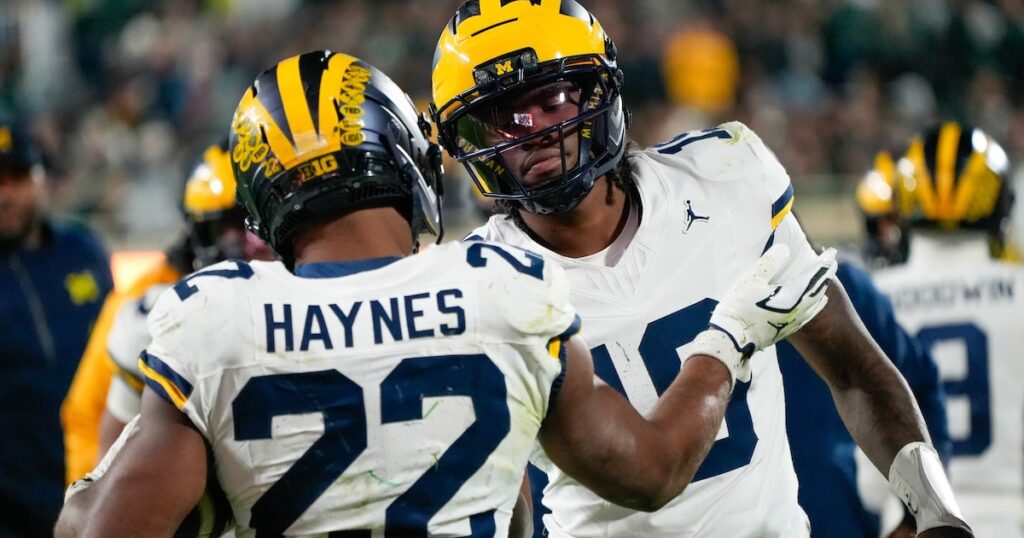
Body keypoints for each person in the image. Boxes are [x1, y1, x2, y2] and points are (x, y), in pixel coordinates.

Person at [55, 50, 835, 537]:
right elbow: (652, 472)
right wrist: (727, 341)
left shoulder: (213, 320)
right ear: (405, 159)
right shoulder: (506, 287)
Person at [429, 1, 972, 536]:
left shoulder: (726, 177)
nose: (533, 133)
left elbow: (855, 372)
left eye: (552, 100)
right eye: (501, 120)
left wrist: (936, 512)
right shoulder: (476, 286)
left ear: (599, 92)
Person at [60, 141, 270, 486]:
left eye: (254, 225)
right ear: (197, 231)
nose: (247, 246)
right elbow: (88, 414)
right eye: (230, 230)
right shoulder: (149, 306)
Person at [873, 122, 1024, 537]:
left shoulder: (874, 298)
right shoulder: (1019, 291)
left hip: (909, 523)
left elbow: (866, 482)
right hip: (1007, 518)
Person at [0, 116, 113, 536]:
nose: (5, 194)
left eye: (16, 176)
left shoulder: (81, 250)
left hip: (97, 497)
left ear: (40, 178)